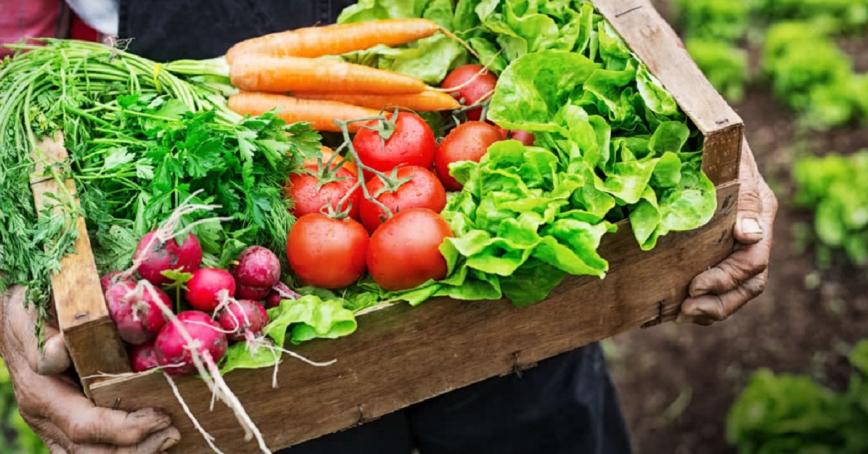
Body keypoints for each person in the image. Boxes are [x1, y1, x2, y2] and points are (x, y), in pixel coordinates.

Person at [0, 1, 779, 453]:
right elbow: (12, 61)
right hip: (201, 214)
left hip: (472, 125)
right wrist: (20, 270)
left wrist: (683, 103)